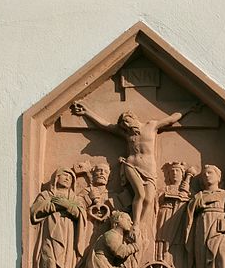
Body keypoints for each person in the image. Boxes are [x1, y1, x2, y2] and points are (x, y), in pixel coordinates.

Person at [70, 101, 202, 243]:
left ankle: (138, 226)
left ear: (132, 118)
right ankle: (136, 225)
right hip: (131, 165)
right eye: (124, 126)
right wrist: (86, 111)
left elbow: (171, 119)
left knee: (149, 199)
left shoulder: (151, 126)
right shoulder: (127, 134)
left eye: (127, 122)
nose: (126, 127)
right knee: (140, 194)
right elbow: (105, 125)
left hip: (149, 169)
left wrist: (188, 108)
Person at [31, 167, 86, 268]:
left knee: (66, 264)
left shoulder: (74, 197)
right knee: (48, 261)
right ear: (56, 178)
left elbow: (81, 214)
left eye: (70, 176)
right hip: (50, 234)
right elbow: (35, 210)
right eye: (64, 175)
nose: (67, 178)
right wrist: (54, 206)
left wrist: (68, 206)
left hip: (68, 235)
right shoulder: (46, 194)